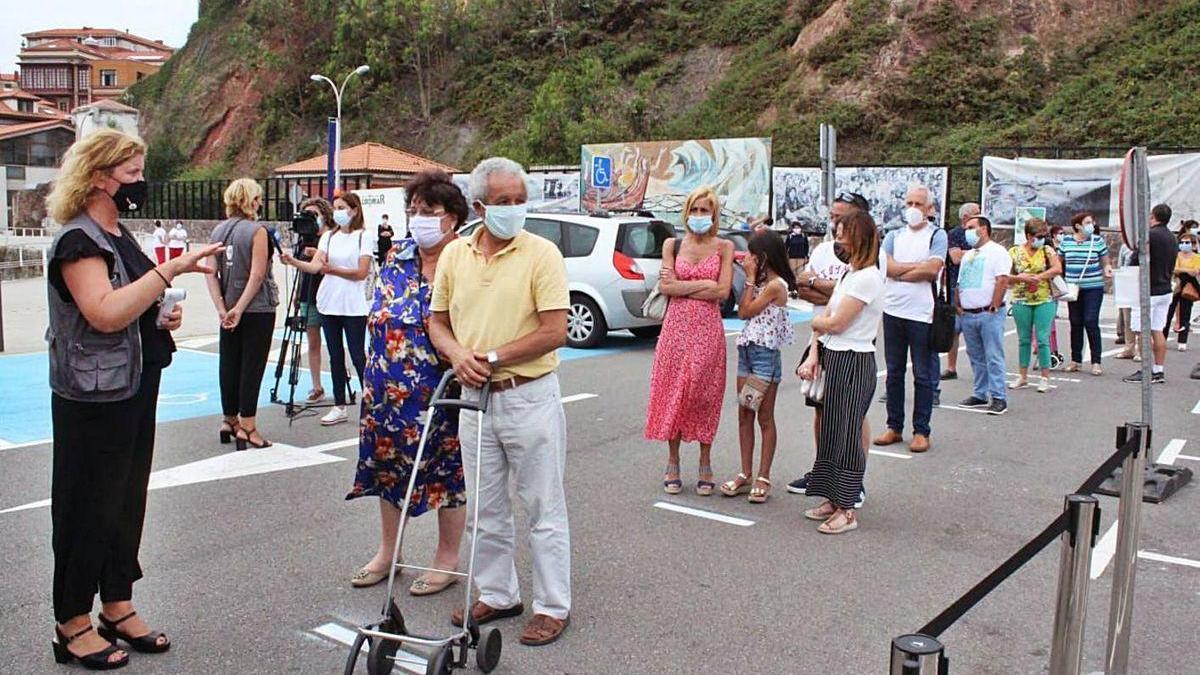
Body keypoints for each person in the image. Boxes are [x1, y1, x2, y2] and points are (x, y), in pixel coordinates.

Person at [44, 129, 221, 669]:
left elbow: (134, 301)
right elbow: (103, 312)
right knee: (85, 504)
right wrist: (170, 270)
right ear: (99, 177)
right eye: (131, 175)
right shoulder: (78, 241)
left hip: (134, 385)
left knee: (124, 501)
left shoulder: (119, 235)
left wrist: (162, 311)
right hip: (92, 396)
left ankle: (117, 604)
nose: (140, 184)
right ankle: (71, 620)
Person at [428, 157, 573, 646]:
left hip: (528, 396)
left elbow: (554, 331)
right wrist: (456, 355)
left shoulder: (542, 254)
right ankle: (498, 592)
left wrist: (488, 356)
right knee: (486, 507)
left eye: (519, 201)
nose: (513, 210)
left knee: (542, 506)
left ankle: (553, 606)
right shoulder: (455, 255)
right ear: (479, 206)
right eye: (503, 202)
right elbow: (438, 321)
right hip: (474, 397)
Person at [346, 171, 469, 595]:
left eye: (429, 212)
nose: (419, 219)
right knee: (386, 468)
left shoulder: (466, 258)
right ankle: (389, 552)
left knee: (447, 474)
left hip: (440, 389)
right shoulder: (397, 252)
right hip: (384, 388)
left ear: (452, 217)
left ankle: (447, 559)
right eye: (413, 211)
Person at [796, 209, 885, 535]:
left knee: (847, 434)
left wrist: (818, 322)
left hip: (854, 360)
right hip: (835, 355)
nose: (838, 237)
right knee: (832, 431)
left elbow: (834, 321)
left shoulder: (869, 278)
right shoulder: (850, 274)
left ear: (858, 236)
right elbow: (827, 317)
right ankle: (833, 498)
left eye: (843, 231)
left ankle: (847, 508)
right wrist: (817, 346)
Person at [646, 186, 735, 496]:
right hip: (675, 329)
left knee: (705, 393)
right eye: (694, 210)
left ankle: (705, 460)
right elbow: (667, 286)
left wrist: (685, 286)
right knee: (674, 390)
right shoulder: (672, 244)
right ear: (686, 213)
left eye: (705, 210)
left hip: (708, 330)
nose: (699, 216)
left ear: (714, 215)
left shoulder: (724, 247)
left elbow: (722, 292)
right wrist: (703, 285)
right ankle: (672, 460)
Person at [787, 192, 872, 502]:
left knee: (853, 413)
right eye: (833, 217)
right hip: (820, 343)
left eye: (842, 218)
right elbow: (803, 290)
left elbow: (854, 303)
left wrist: (823, 290)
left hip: (852, 344)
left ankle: (854, 482)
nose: (835, 224)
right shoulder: (823, 250)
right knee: (821, 407)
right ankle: (823, 474)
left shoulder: (871, 259)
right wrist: (827, 293)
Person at [283, 192, 374, 423]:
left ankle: (371, 401)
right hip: (329, 303)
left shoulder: (364, 237)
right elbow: (315, 267)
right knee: (334, 355)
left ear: (354, 210)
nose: (338, 212)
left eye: (342, 207)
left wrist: (332, 269)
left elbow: (361, 272)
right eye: (336, 208)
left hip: (353, 306)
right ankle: (339, 405)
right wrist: (293, 261)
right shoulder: (328, 238)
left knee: (356, 354)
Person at [719, 229, 795, 504]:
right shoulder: (761, 283)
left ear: (764, 257)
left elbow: (746, 311)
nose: (748, 260)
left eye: (753, 256)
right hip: (747, 353)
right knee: (744, 414)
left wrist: (750, 279)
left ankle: (763, 476)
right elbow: (742, 311)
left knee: (764, 417)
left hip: (765, 356)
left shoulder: (776, 285)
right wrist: (752, 280)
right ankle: (745, 473)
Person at [205, 179, 279, 449]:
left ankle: (229, 418)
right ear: (252, 200)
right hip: (256, 308)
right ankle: (248, 425)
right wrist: (241, 307)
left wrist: (223, 308)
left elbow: (210, 273)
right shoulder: (257, 231)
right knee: (252, 365)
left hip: (228, 306)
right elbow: (257, 274)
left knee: (229, 362)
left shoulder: (218, 232)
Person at [875, 185, 947, 454]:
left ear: (930, 209)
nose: (913, 209)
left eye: (919, 204)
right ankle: (894, 426)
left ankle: (921, 430)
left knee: (923, 374)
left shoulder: (937, 236)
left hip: (923, 314)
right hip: (893, 311)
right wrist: (912, 269)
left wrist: (899, 272)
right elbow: (886, 266)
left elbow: (932, 269)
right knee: (894, 372)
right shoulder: (894, 235)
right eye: (909, 203)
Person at [954, 216, 1011, 414]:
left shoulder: (997, 252)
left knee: (993, 355)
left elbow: (1002, 279)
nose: (967, 231)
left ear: (984, 229)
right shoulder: (969, 255)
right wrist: (959, 304)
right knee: (976, 356)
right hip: (968, 313)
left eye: (971, 227)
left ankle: (998, 396)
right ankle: (980, 393)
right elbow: (960, 282)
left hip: (988, 312)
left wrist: (994, 304)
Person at [1123, 204, 1177, 384]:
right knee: (1157, 330)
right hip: (1165, 288)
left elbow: (1135, 259)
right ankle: (1158, 369)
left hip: (1149, 290)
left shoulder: (1150, 236)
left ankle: (1145, 370)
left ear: (1153, 216)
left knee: (1141, 331)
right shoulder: (1172, 237)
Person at [1008, 218, 1062, 393]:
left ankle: (1045, 377)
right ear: (1028, 236)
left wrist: (1039, 277)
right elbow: (1007, 276)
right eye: (1038, 236)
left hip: (1044, 298)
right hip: (1021, 298)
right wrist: (1020, 278)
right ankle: (1022, 375)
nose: (1041, 239)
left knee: (1042, 338)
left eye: (1043, 236)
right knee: (1023, 339)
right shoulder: (1014, 252)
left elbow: (1057, 269)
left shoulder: (1047, 250)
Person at [1058, 212, 1112, 375]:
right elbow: (1058, 262)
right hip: (1073, 288)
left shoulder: (1097, 241)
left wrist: (1107, 268)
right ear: (1078, 226)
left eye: (1092, 222)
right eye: (1088, 222)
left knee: (1090, 320)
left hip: (1093, 286)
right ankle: (1076, 360)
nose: (1092, 225)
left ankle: (1096, 361)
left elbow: (1105, 260)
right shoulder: (1066, 241)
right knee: (1075, 322)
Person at [295, 197, 336, 403]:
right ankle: (316, 386)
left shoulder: (332, 236)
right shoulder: (304, 236)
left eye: (314, 215)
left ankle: (340, 379)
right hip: (308, 293)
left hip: (330, 293)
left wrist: (317, 253)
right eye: (307, 214)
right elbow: (299, 266)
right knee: (313, 341)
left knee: (334, 341)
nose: (311, 219)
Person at [941, 202, 980, 380]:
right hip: (956, 285)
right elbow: (955, 258)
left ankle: (979, 368)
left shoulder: (981, 233)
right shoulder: (955, 234)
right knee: (953, 329)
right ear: (965, 217)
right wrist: (976, 254)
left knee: (975, 328)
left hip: (977, 284)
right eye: (976, 213)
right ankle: (951, 367)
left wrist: (969, 253)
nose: (980, 215)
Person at [1166, 231, 1200, 352]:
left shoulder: (1197, 257)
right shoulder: (1176, 255)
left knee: (1186, 313)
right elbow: (1174, 269)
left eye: (1187, 242)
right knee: (1168, 312)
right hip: (1175, 287)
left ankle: (1182, 340)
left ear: (1194, 245)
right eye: (1182, 242)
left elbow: (1195, 271)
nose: (1184, 244)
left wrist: (1182, 270)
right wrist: (1185, 270)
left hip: (1188, 288)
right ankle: (1163, 337)